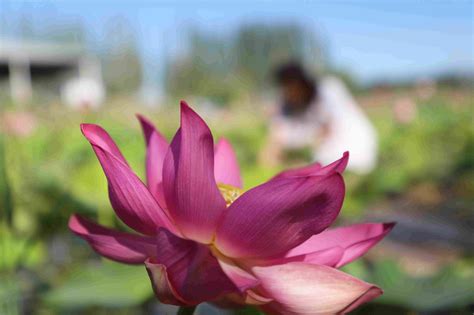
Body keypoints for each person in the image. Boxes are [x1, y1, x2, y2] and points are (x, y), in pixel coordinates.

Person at [260, 61, 378, 174]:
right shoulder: (286, 106)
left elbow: (326, 131)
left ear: (303, 82)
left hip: (351, 148)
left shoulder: (327, 89)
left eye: (293, 86)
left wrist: (299, 158)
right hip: (319, 157)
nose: (291, 92)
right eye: (286, 87)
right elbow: (276, 139)